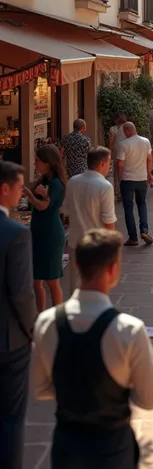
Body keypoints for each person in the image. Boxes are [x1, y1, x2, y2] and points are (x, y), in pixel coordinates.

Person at [30, 228, 153, 469]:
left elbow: (40, 389)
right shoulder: (128, 330)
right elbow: (149, 398)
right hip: (111, 447)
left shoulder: (46, 323)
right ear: (113, 269)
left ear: (77, 266)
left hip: (66, 445)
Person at [0, 162, 37, 469]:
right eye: (19, 186)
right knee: (11, 418)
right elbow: (22, 293)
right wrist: (32, 329)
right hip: (8, 339)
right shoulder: (15, 233)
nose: (22, 192)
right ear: (5, 189)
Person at [62, 147, 117, 296]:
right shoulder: (105, 186)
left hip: (75, 241)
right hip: (96, 244)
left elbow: (65, 210)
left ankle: (75, 313)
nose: (110, 166)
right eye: (108, 162)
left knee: (75, 281)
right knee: (97, 283)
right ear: (101, 164)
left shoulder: (73, 182)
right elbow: (109, 220)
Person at [24, 145, 67, 312]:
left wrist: (30, 194)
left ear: (48, 162)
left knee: (52, 280)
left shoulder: (56, 183)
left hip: (50, 233)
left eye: (38, 160)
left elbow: (43, 206)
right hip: (38, 232)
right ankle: (41, 315)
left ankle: (57, 318)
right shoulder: (45, 180)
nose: (35, 163)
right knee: (36, 280)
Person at [116, 122, 153, 247]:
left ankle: (133, 237)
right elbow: (149, 158)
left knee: (128, 208)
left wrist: (120, 176)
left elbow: (120, 164)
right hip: (142, 178)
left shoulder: (123, 145)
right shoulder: (145, 141)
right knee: (142, 203)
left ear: (127, 131)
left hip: (128, 179)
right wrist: (149, 173)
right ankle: (144, 230)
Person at [109, 112, 127, 201]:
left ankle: (119, 193)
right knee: (126, 171)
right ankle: (126, 192)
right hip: (127, 150)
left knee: (117, 172)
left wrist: (109, 148)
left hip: (117, 151)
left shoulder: (113, 129)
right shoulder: (127, 127)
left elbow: (111, 140)